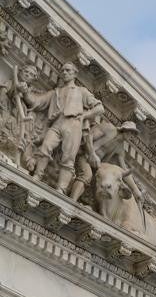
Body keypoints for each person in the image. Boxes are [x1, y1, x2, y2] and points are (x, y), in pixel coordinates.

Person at [19, 61, 104, 199]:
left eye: (68, 70)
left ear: (75, 74)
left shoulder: (81, 91)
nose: (64, 72)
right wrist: (25, 91)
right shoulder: (55, 92)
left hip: (74, 124)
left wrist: (84, 116)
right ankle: (37, 175)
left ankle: (61, 189)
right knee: (45, 146)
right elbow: (36, 102)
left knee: (68, 158)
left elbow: (100, 108)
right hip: (57, 123)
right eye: (63, 70)